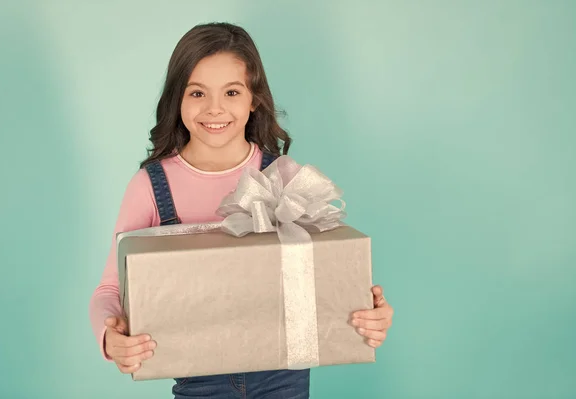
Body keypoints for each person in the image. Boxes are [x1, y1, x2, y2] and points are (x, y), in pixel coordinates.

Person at [89, 22, 394, 398]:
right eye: (197, 92)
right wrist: (110, 334)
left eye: (231, 92)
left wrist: (369, 310)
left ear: (254, 99)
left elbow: (326, 273)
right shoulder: (151, 186)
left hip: (285, 375)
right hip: (197, 381)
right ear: (177, 100)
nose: (214, 108)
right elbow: (110, 288)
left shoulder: (285, 177)